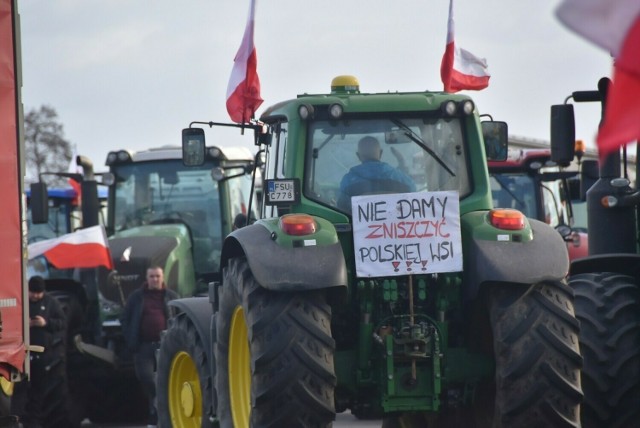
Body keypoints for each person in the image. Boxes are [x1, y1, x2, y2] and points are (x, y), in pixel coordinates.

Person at [121, 266, 178, 428]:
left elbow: (180, 316)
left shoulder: (171, 296)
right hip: (143, 346)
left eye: (158, 276)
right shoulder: (136, 297)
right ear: (147, 279)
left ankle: (158, 416)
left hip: (165, 344)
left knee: (166, 378)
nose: (155, 279)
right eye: (152, 276)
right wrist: (130, 337)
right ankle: (156, 406)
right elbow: (125, 318)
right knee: (147, 378)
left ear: (163, 278)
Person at [11, 276, 66, 428]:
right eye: (32, 292)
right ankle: (16, 419)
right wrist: (23, 323)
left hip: (43, 353)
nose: (35, 296)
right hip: (21, 353)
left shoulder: (51, 303)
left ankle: (34, 423)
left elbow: (62, 322)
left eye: (38, 293)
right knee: (20, 390)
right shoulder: (20, 301)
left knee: (38, 390)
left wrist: (45, 323)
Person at [337, 136, 416, 211]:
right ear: (381, 153)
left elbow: (342, 210)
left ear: (358, 156)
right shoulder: (405, 181)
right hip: (398, 225)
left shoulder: (347, 182)